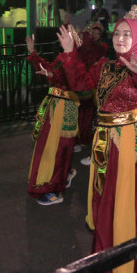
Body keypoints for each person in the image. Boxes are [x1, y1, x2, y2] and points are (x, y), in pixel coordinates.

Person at [57, 6, 137, 272]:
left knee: (126, 197)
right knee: (104, 191)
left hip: (130, 140)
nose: (120, 38)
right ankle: (108, 239)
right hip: (104, 138)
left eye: (127, 34)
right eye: (117, 32)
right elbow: (82, 84)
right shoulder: (105, 66)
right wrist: (70, 52)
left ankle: (127, 245)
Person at [25, 31, 81, 205]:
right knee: (50, 148)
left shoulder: (77, 61)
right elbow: (49, 69)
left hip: (64, 109)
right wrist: (33, 52)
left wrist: (51, 75)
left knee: (56, 149)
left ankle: (53, 186)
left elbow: (72, 81)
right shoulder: (62, 57)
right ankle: (64, 175)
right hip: (54, 106)